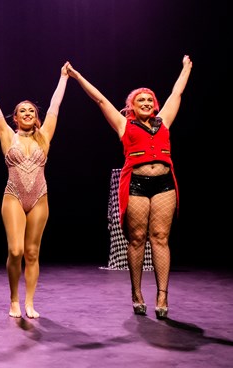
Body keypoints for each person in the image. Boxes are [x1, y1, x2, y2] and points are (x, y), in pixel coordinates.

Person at [66, 55, 192, 319]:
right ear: (132, 105)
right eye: (141, 100)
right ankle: (136, 293)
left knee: (160, 238)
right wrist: (77, 77)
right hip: (135, 182)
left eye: (150, 100)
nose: (146, 103)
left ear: (155, 105)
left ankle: (162, 295)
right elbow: (100, 99)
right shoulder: (124, 124)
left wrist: (185, 69)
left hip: (164, 183)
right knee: (136, 239)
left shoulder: (164, 121)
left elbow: (177, 93)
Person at [0, 55, 69, 318]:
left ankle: (29, 302)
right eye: (22, 111)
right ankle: (14, 299)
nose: (27, 113)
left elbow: (55, 106)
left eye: (31, 111)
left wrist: (63, 78)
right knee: (15, 250)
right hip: (13, 195)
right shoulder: (6, 135)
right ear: (14, 118)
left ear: (36, 117)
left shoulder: (45, 135)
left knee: (32, 252)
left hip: (39, 196)